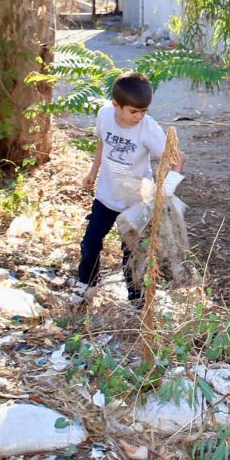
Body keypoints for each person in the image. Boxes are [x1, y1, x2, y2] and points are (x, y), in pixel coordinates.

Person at [76, 71, 185, 304]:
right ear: (116, 105)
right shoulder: (104, 115)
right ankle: (86, 285)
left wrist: (166, 190)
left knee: (132, 252)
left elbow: (177, 159)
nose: (138, 117)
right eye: (133, 111)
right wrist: (92, 173)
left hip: (135, 201)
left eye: (144, 111)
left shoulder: (148, 128)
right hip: (106, 195)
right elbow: (102, 143)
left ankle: (136, 297)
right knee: (91, 242)